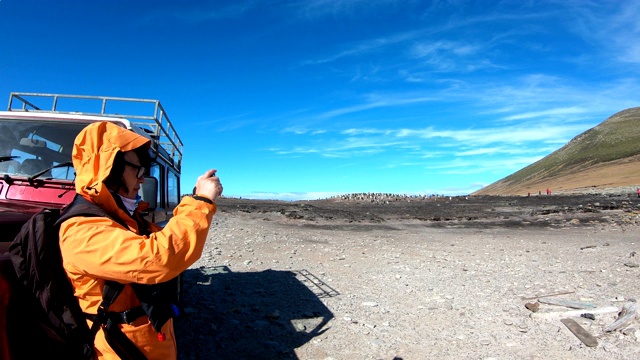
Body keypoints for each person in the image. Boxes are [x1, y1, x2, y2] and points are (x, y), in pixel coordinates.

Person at [59, 121, 222, 359]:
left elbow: (165, 239)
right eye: (138, 169)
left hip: (142, 343)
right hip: (120, 349)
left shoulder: (121, 218)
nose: (142, 179)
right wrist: (202, 203)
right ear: (109, 166)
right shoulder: (81, 229)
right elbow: (157, 258)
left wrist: (196, 199)